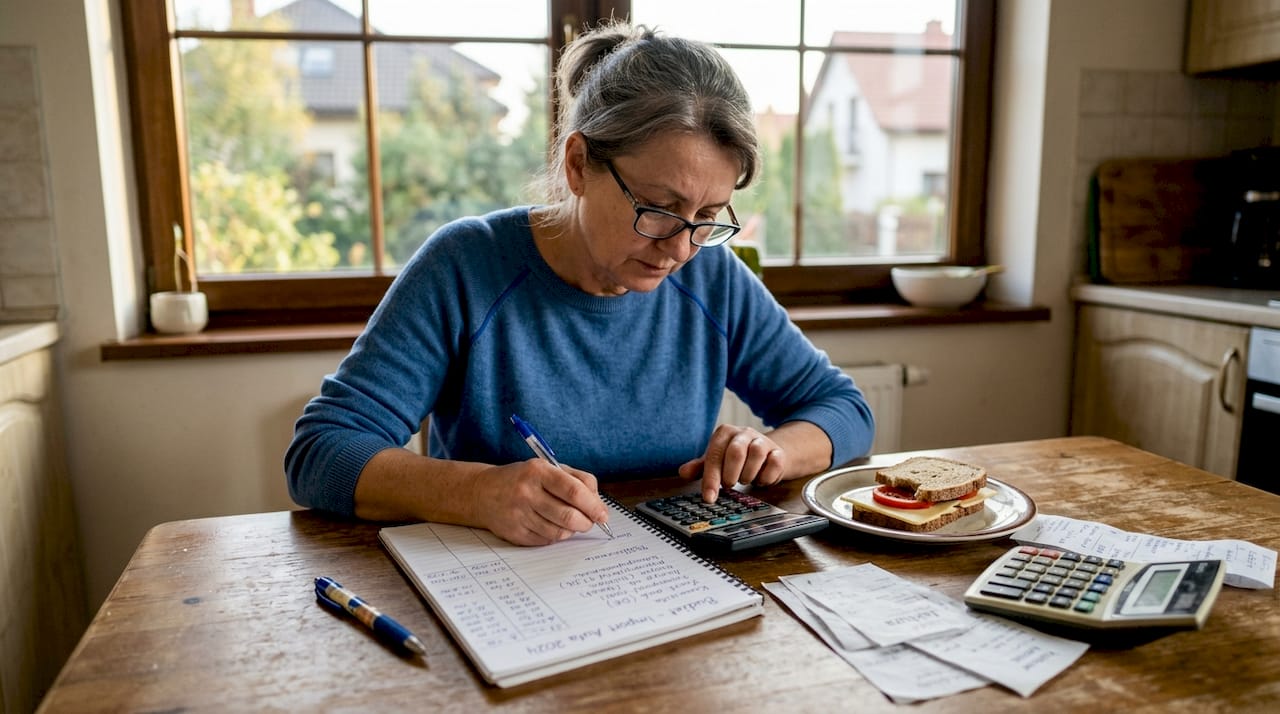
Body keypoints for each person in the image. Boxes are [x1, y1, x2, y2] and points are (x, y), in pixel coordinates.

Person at [285, 20, 875, 546]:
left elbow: (844, 408)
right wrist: (477, 493)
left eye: (707, 217)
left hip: (670, 590)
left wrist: (777, 449)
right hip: (500, 596)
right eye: (659, 208)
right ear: (577, 165)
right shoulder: (466, 266)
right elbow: (320, 452)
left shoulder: (712, 275)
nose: (679, 247)